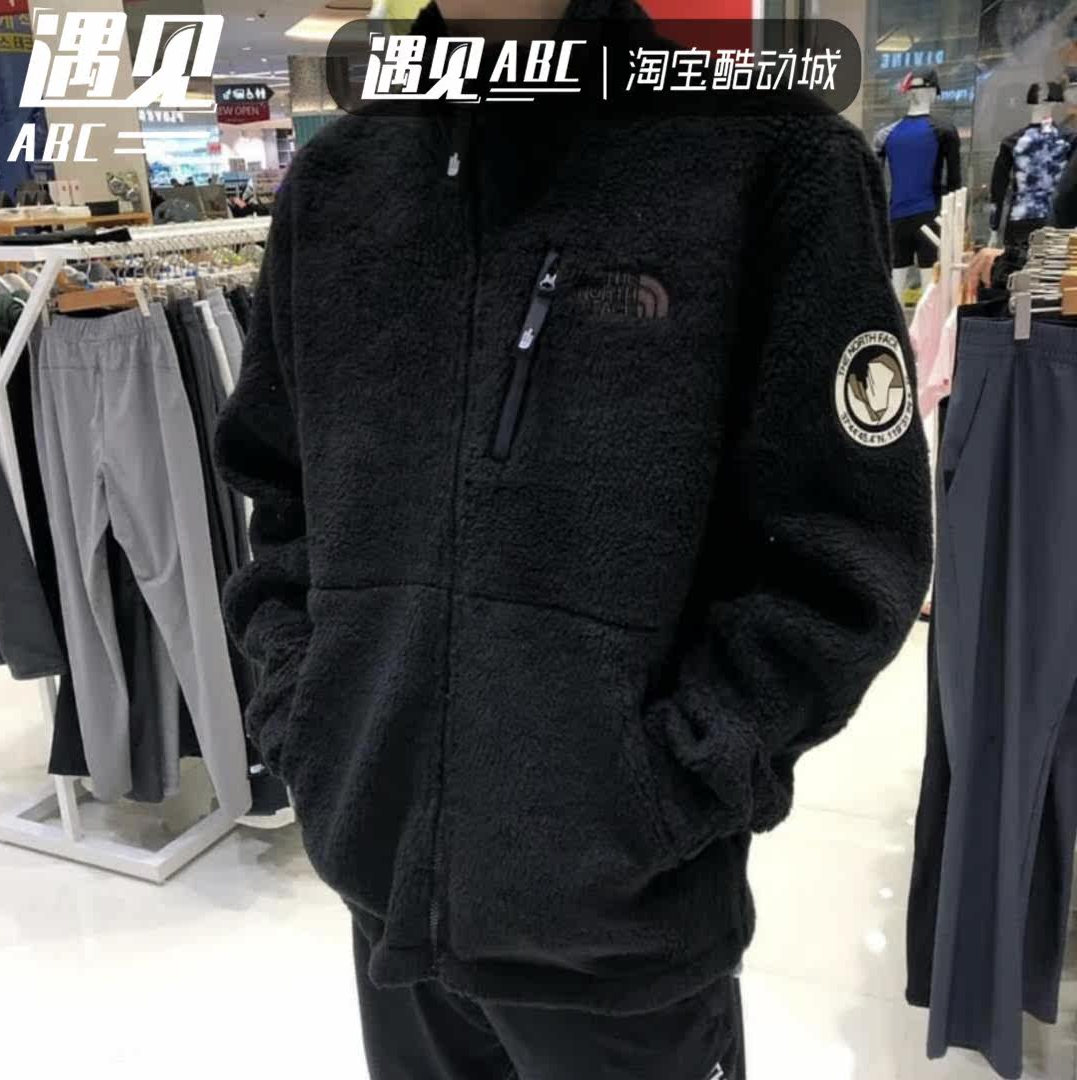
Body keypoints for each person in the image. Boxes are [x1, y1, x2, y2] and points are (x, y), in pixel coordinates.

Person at [215, 1, 933, 1077]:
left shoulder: (767, 159)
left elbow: (845, 549)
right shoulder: (338, 184)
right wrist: (314, 729)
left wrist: (667, 788)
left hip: (622, 940)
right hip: (389, 908)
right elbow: (281, 501)